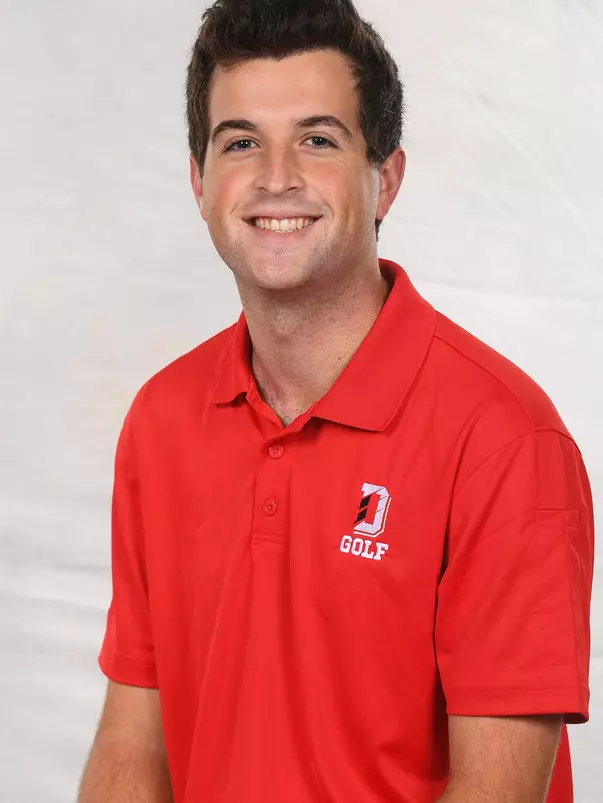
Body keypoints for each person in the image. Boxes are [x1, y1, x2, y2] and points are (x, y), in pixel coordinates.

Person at [76, 1, 595, 801]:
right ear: (199, 182)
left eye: (317, 139)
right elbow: (131, 743)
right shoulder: (161, 418)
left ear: (384, 179)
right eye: (240, 142)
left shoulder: (502, 438)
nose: (275, 176)